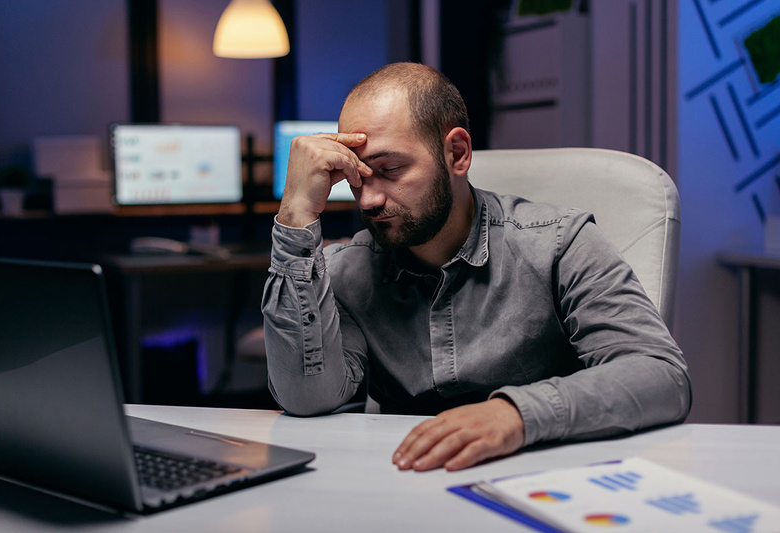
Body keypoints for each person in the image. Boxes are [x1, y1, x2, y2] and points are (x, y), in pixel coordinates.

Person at [261, 62, 691, 472]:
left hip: (545, 477)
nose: (369, 200)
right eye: (357, 178)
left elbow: (660, 376)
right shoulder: (348, 270)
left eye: (389, 170)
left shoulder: (560, 244)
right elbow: (306, 398)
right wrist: (296, 215)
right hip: (405, 481)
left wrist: (515, 414)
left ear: (458, 153)